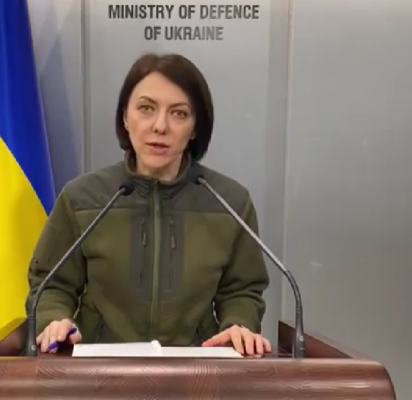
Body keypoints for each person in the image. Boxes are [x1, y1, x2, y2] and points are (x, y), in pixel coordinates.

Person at [26, 52, 272, 357]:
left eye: (179, 113)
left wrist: (238, 324)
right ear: (125, 117)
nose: (160, 126)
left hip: (196, 370)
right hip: (99, 371)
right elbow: (51, 284)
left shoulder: (229, 201)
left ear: (195, 127)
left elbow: (242, 290)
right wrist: (54, 320)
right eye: (146, 108)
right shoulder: (82, 198)